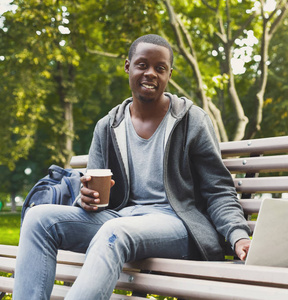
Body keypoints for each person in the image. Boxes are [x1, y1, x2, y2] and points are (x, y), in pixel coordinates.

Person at [13, 34, 252, 300]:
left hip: (177, 224)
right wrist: (86, 200)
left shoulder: (190, 121)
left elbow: (218, 190)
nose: (150, 73)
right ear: (128, 66)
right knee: (38, 219)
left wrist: (238, 235)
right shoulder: (108, 126)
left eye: (160, 68)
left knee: (115, 232)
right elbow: (94, 191)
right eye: (142, 65)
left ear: (169, 74)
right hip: (120, 218)